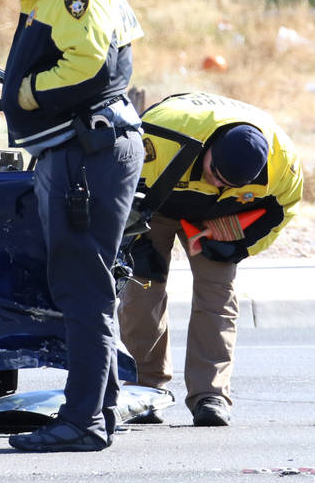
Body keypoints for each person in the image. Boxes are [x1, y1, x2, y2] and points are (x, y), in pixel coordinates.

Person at [0, 0, 145, 452]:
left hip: (85, 155)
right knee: (87, 286)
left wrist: (26, 92)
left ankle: (81, 422)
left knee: (80, 289)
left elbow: (88, 66)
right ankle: (102, 410)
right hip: (84, 151)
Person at [117, 92, 303, 426]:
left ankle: (211, 396)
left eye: (229, 182)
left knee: (218, 296)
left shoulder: (283, 166)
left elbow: (283, 213)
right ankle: (145, 389)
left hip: (221, 215)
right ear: (209, 150)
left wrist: (242, 246)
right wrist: (127, 236)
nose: (217, 183)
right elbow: (114, 183)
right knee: (143, 289)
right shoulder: (158, 136)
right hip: (154, 203)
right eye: (216, 173)